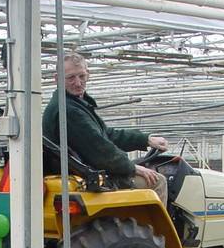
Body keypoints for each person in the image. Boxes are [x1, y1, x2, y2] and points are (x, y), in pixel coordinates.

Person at [42, 52, 169, 205]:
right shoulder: (69, 110)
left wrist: (145, 139)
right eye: (71, 78)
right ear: (57, 79)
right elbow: (100, 149)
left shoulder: (75, 104)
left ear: (88, 74)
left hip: (81, 172)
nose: (77, 83)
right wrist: (132, 168)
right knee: (157, 181)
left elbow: (106, 135)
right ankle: (155, 229)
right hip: (84, 177)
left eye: (81, 76)